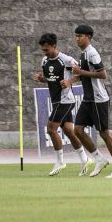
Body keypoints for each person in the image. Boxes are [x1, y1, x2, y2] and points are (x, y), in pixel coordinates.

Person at [71, 24, 112, 178]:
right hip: (88, 99)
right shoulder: (83, 53)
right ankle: (99, 159)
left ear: (88, 37)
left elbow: (102, 74)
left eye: (79, 36)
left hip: (98, 99)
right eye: (76, 36)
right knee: (78, 130)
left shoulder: (92, 53)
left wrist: (80, 71)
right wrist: (72, 79)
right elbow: (85, 74)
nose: (77, 39)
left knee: (104, 133)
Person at [32, 33, 90, 176]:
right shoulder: (45, 61)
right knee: (69, 131)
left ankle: (60, 161)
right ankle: (84, 159)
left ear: (54, 46)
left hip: (65, 100)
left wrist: (70, 82)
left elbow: (82, 73)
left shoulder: (67, 60)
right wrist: (42, 79)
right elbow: (51, 79)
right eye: (43, 50)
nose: (44, 53)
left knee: (51, 129)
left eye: (47, 50)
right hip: (56, 100)